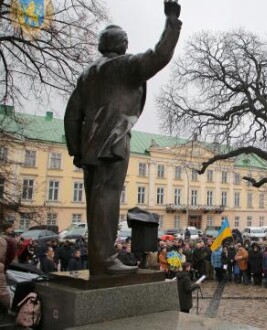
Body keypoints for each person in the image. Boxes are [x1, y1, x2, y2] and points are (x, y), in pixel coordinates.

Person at [63, 0, 182, 276]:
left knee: (94, 201)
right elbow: (159, 55)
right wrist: (171, 21)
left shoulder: (87, 75)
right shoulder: (124, 66)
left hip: (90, 145)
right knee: (106, 198)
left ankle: (98, 259)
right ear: (122, 45)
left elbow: (72, 115)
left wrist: (76, 150)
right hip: (112, 141)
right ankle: (105, 260)